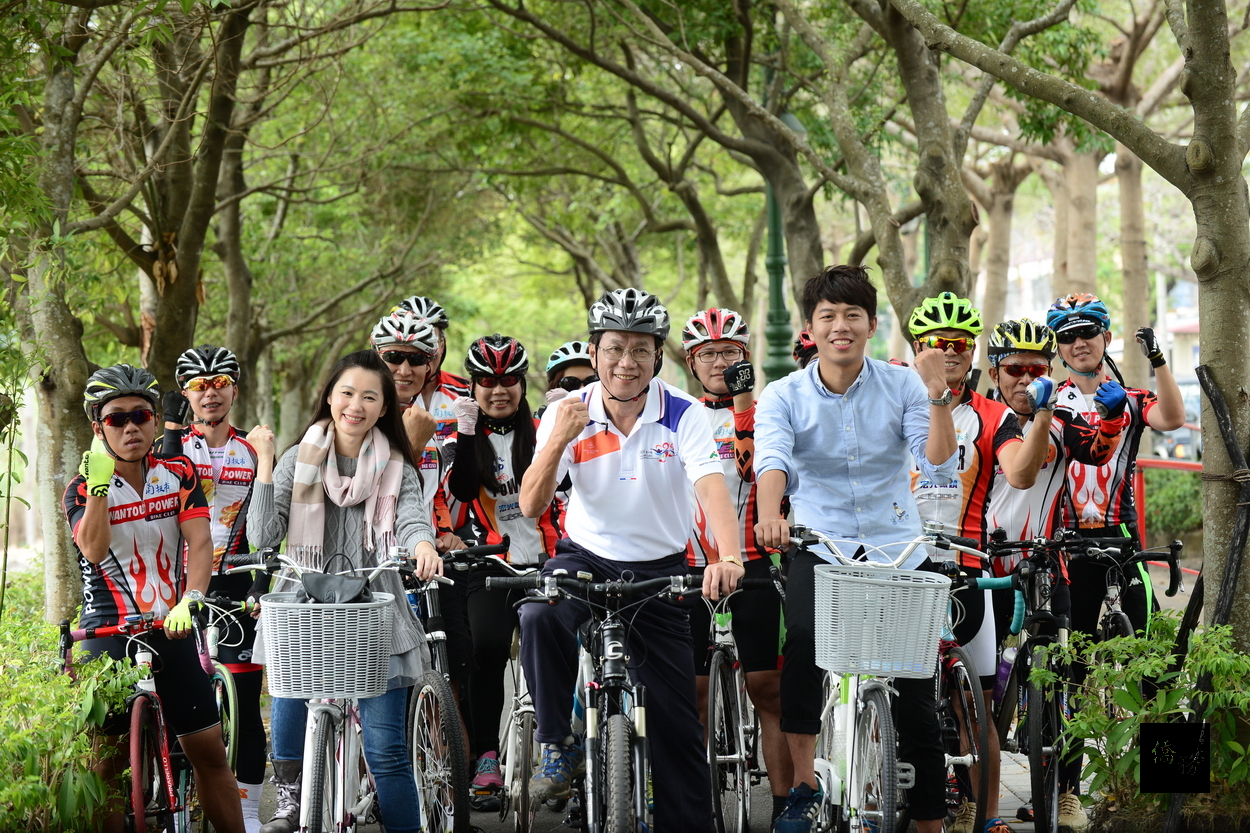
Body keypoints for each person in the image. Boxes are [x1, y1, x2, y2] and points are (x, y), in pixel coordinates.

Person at [517, 288, 744, 832]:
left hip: (660, 570)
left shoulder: (684, 414)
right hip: (584, 558)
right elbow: (530, 504)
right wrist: (558, 440)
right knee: (539, 614)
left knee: (677, 731)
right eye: (614, 348)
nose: (627, 362)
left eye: (641, 349)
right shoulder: (567, 412)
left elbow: (710, 486)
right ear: (594, 353)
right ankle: (557, 743)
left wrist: (731, 556)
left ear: (658, 356)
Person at [753, 265, 958, 833]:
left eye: (852, 315)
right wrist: (770, 516)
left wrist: (938, 395)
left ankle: (930, 821)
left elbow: (938, 466)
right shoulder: (783, 395)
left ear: (871, 324)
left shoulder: (903, 385)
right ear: (811, 327)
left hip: (898, 546)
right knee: (803, 643)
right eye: (828, 316)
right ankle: (804, 786)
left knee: (915, 688)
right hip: (821, 545)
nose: (840, 326)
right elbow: (772, 460)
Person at [247, 351, 442, 833]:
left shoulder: (398, 466)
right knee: (289, 690)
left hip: (375, 609)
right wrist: (266, 462)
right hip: (305, 603)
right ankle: (291, 800)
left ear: (384, 408)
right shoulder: (297, 458)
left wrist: (422, 545)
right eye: (347, 393)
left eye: (369, 397)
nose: (356, 405)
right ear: (330, 398)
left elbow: (411, 517)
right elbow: (263, 535)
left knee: (386, 751)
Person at [905, 293, 1062, 833]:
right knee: (899, 696)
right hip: (901, 565)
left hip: (968, 568)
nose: (950, 350)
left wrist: (1042, 412)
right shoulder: (894, 399)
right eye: (938, 342)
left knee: (978, 704)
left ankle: (990, 815)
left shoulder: (995, 416)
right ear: (918, 348)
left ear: (975, 353)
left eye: (961, 343)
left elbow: (1020, 473)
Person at [66, 364, 245, 833]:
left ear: (154, 419)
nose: (130, 427)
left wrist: (193, 598)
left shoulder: (179, 472)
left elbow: (200, 542)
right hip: (109, 631)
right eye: (116, 418)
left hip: (172, 625)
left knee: (209, 753)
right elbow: (93, 549)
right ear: (97, 427)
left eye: (141, 416)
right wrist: (99, 488)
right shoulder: (80, 488)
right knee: (106, 766)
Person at [680, 307, 794, 824]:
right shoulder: (680, 414)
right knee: (695, 693)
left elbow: (753, 468)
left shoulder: (767, 412)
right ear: (691, 362)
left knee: (767, 689)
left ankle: (786, 806)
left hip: (752, 565)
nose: (719, 362)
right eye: (708, 354)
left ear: (745, 357)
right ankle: (693, 803)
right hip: (690, 566)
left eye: (729, 352)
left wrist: (744, 404)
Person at [443, 335, 562, 805]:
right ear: (473, 387)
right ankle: (487, 757)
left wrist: (561, 430)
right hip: (490, 562)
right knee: (486, 650)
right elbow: (463, 489)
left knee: (555, 652)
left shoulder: (541, 429)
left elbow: (568, 482)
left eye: (509, 380)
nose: (498, 390)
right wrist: (466, 433)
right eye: (487, 382)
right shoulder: (463, 436)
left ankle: (560, 752)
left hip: (547, 561)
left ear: (522, 384)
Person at [167, 345, 265, 832]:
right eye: (199, 386)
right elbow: (160, 492)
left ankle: (247, 813)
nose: (211, 393)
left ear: (235, 390)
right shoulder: (172, 445)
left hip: (236, 579)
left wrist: (261, 583)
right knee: (174, 694)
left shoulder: (253, 448)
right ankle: (175, 806)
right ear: (186, 394)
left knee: (245, 699)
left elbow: (268, 518)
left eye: (220, 383)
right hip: (180, 582)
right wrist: (169, 429)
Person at [1047, 293, 1185, 637]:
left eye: (1088, 332)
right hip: (1069, 534)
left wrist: (1157, 360)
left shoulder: (1132, 399)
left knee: (1145, 630)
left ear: (1106, 337)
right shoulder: (1051, 402)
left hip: (1120, 529)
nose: (1079, 343)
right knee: (1073, 642)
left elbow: (1172, 418)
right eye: (1067, 336)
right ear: (1059, 348)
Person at [370, 311, 477, 691]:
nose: (404, 369)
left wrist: (444, 531)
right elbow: (372, 494)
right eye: (393, 358)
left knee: (455, 663)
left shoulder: (424, 419)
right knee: (388, 678)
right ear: (376, 357)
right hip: (374, 564)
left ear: (430, 364)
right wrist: (412, 443)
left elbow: (430, 493)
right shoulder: (362, 415)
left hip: (424, 557)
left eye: (416, 359)